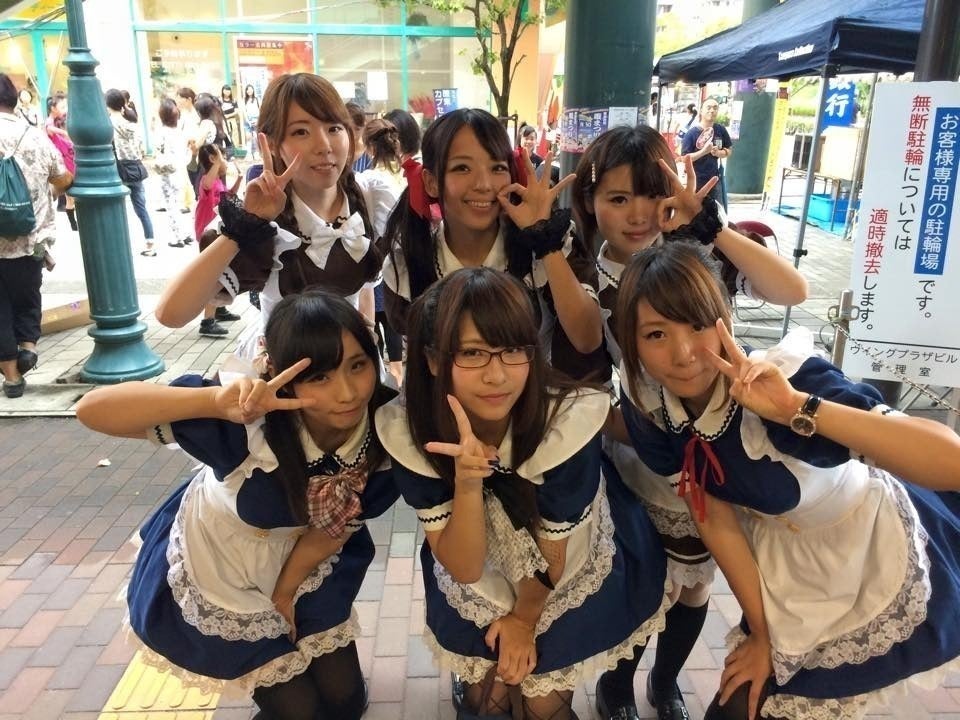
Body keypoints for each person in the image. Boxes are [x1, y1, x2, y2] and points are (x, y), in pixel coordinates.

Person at [613, 240, 960, 720]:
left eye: (697, 325)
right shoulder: (652, 405)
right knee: (741, 701)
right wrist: (761, 634)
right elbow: (712, 516)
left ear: (724, 318)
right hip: (787, 563)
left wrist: (796, 408)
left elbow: (950, 461)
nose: (684, 353)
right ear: (631, 342)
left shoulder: (784, 377)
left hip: (871, 551)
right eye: (656, 334)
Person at [570, 123, 807, 720]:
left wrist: (713, 227)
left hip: (722, 449)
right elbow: (583, 361)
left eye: (653, 193)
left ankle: (667, 680)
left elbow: (793, 290)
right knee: (640, 578)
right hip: (642, 452)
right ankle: (616, 687)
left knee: (697, 584)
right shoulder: (585, 274)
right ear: (591, 202)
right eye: (618, 198)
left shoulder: (702, 254)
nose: (638, 213)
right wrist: (624, 426)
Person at [76, 290, 400, 720]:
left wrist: (285, 593)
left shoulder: (387, 429)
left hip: (306, 556)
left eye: (357, 366)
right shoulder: (246, 426)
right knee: (300, 712)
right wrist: (211, 401)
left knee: (345, 703)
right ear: (279, 373)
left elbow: (336, 526)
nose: (346, 393)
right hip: (223, 561)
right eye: (319, 376)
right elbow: (92, 410)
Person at [377, 266, 670, 719]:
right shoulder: (413, 432)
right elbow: (465, 567)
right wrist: (468, 482)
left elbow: (554, 551)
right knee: (487, 701)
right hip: (473, 549)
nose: (497, 375)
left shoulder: (565, 427)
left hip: (563, 556)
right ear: (433, 360)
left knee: (541, 703)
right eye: (472, 353)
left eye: (513, 350)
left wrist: (523, 621)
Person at [153, 73, 399, 360]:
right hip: (281, 373)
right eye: (301, 132)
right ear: (271, 143)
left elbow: (366, 289)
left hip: (349, 369)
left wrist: (369, 354)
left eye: (334, 128)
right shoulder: (261, 219)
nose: (324, 145)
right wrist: (247, 225)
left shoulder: (370, 198)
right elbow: (170, 314)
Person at [381, 107, 604, 380]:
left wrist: (544, 239)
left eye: (497, 167)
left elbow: (587, 339)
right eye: (462, 168)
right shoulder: (407, 265)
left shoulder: (543, 249)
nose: (484, 184)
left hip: (529, 402)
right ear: (431, 182)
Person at [0, 73, 73, 399]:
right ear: (14, 99)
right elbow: (63, 177)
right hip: (30, 241)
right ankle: (27, 346)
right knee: (28, 299)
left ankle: (12, 378)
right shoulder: (33, 136)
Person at [194, 143, 242, 337]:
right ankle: (207, 322)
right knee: (213, 275)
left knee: (222, 271)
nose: (224, 159)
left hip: (217, 231)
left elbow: (228, 197)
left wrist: (239, 179)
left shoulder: (217, 181)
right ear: (212, 159)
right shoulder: (207, 180)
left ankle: (219, 309)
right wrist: (217, 161)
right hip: (208, 234)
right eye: (221, 155)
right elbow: (207, 186)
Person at [106, 88, 155, 256]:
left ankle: (120, 246)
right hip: (136, 168)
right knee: (141, 209)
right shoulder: (132, 121)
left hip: (120, 169)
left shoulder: (110, 123)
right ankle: (150, 242)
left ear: (107, 104)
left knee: (118, 209)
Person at [154, 98, 194, 249]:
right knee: (180, 203)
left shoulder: (161, 132)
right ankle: (186, 234)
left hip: (167, 172)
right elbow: (186, 154)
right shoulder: (179, 133)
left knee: (171, 205)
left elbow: (158, 150)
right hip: (180, 171)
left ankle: (177, 237)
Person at [681, 98, 732, 210]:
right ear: (701, 110)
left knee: (715, 212)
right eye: (708, 107)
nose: (712, 110)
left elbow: (729, 150)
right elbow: (684, 158)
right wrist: (704, 151)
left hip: (714, 181)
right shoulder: (691, 133)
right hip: (695, 182)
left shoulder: (720, 130)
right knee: (696, 212)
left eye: (715, 108)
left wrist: (719, 153)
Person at [44, 91, 77, 231]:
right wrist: (64, 133)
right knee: (71, 195)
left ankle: (74, 223)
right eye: (62, 107)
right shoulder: (50, 122)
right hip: (64, 163)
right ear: (53, 108)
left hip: (69, 159)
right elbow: (48, 128)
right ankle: (73, 223)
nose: (65, 109)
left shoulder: (60, 121)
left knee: (71, 196)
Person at [177, 87, 202, 200]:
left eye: (180, 98)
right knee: (190, 178)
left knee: (195, 177)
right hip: (186, 150)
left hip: (194, 150)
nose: (178, 101)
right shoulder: (183, 114)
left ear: (189, 99)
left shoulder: (196, 115)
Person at [345, 101, 371, 174]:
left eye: (357, 129)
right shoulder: (334, 152)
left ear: (364, 127)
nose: (353, 134)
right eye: (348, 129)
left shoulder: (368, 154)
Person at [243, 84, 261, 161]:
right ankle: (249, 154)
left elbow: (260, 110)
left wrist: (258, 120)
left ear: (253, 90)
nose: (249, 91)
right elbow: (244, 111)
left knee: (256, 137)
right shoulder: (244, 100)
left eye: (251, 89)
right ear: (246, 91)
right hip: (247, 121)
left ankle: (256, 153)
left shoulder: (257, 99)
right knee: (248, 138)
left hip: (256, 120)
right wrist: (248, 121)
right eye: (247, 89)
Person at [221, 84, 241, 149]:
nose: (227, 92)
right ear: (223, 91)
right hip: (224, 121)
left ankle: (236, 150)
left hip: (233, 120)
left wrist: (228, 115)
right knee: (226, 135)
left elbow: (236, 111)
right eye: (226, 90)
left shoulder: (233, 100)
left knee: (235, 135)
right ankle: (227, 150)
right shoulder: (220, 101)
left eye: (229, 90)